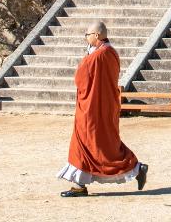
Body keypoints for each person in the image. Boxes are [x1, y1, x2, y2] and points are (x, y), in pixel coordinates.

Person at [56, 21, 147, 196]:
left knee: (92, 143)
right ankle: (81, 184)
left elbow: (80, 77)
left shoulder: (98, 56)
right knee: (104, 144)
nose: (86, 38)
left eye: (87, 35)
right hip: (104, 105)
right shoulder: (111, 52)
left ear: (96, 35)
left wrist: (86, 59)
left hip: (92, 108)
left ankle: (135, 167)